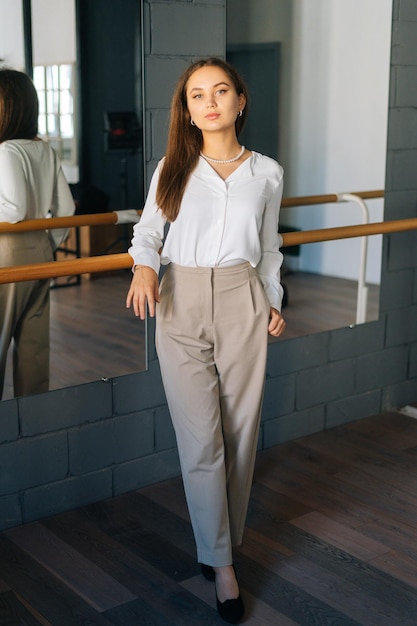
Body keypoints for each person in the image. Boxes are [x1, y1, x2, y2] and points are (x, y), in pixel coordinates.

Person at [126, 57, 286, 623]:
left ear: (240, 101)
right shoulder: (173, 166)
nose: (210, 102)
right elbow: (148, 231)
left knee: (241, 436)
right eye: (197, 95)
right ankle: (221, 565)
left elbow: (269, 247)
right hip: (181, 300)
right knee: (201, 440)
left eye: (221, 91)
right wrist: (144, 267)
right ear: (188, 111)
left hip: (244, 298)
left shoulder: (266, 172)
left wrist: (272, 297)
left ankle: (217, 540)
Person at [0, 68, 75, 399]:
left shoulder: (6, 151)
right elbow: (68, 211)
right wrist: (48, 244)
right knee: (34, 349)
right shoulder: (45, 150)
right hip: (41, 250)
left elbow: (13, 210)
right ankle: (32, 428)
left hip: (6, 253)